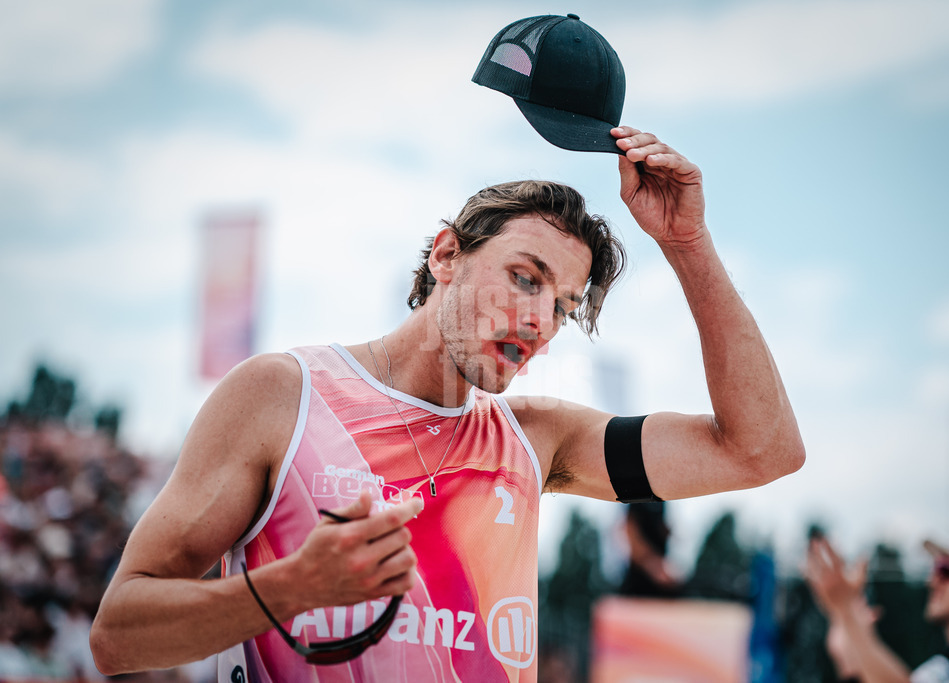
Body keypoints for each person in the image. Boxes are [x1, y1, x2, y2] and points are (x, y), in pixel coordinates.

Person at [89, 126, 805, 681]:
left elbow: (761, 449)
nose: (539, 320)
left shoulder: (537, 439)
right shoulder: (285, 394)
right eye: (525, 278)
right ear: (445, 256)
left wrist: (688, 242)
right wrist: (297, 584)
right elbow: (119, 633)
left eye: (560, 306)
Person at [806, 534, 949, 683]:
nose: (932, 581)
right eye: (934, 568)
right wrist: (847, 645)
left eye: (947, 570)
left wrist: (845, 611)